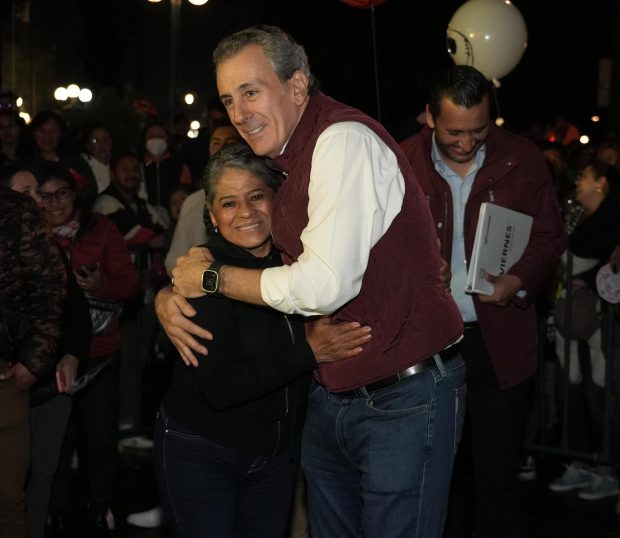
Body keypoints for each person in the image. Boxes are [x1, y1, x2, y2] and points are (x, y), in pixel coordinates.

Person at [157, 25, 465, 538]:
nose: (239, 113)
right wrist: (168, 297)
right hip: (331, 400)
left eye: (251, 91)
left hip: (402, 398)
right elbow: (259, 266)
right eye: (229, 100)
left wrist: (209, 278)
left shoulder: (341, 140)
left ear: (297, 86)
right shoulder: (286, 162)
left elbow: (322, 285)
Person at [155, 142, 371, 537]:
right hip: (202, 452)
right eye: (229, 203)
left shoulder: (302, 263)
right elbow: (221, 388)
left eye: (257, 196)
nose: (246, 213)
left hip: (274, 459)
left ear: (278, 199)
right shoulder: (201, 278)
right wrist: (310, 352)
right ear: (212, 217)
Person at [399, 65, 566, 538]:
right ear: (429, 117)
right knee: (433, 477)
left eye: (480, 130)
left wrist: (517, 281)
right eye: (455, 132)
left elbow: (550, 237)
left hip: (499, 341)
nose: (468, 143)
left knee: (496, 477)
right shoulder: (400, 162)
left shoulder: (523, 159)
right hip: (427, 345)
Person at [37, 162, 141, 537]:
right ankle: (57, 508)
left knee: (99, 436)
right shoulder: (31, 234)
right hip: (47, 357)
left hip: (99, 352)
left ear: (74, 194)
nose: (54, 203)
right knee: (56, 440)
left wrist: (100, 284)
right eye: (45, 195)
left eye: (61, 194)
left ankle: (100, 504)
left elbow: (130, 283)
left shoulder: (101, 229)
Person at [547, 160, 620, 500]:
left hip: (602, 320)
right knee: (573, 389)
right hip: (576, 318)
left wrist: (582, 276)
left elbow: (600, 266)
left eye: (586, 177)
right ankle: (581, 463)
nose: (578, 182)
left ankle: (606, 468)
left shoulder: (611, 221)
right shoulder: (580, 219)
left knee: (599, 392)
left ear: (601, 183)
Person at [0, 188, 66, 538]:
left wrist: (33, 360)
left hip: (5, 379)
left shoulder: (15, 210)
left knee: (7, 499)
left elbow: (49, 285)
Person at [164, 117, 242, 275]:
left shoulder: (260, 196)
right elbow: (173, 261)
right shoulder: (192, 202)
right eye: (216, 142)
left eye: (230, 142)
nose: (222, 148)